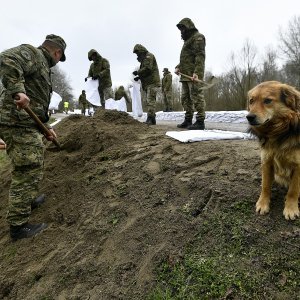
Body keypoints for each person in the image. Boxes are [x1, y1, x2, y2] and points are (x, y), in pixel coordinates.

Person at [0, 34, 67, 240]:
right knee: (28, 167)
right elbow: (6, 58)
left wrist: (46, 127)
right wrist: (17, 90)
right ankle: (18, 227)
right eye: (59, 58)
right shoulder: (34, 54)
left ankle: (28, 200)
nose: (58, 62)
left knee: (33, 162)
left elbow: (36, 103)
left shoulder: (42, 67)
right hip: (15, 122)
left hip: (27, 123)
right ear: (57, 52)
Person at [175, 18, 206, 130]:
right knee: (185, 99)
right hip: (185, 75)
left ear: (188, 27)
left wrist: (197, 73)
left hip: (193, 75)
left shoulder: (198, 37)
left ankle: (200, 121)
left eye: (183, 28)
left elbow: (200, 56)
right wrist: (178, 67)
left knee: (196, 97)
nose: (181, 31)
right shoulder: (187, 41)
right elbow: (186, 59)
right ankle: (188, 120)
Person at [132, 44, 160, 125]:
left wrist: (138, 72)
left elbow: (148, 68)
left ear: (141, 51)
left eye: (138, 53)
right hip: (149, 83)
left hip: (152, 83)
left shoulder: (149, 56)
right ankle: (152, 119)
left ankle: (150, 118)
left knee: (150, 101)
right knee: (150, 101)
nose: (137, 55)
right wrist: (139, 77)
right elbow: (146, 72)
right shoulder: (145, 59)